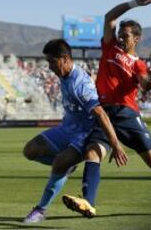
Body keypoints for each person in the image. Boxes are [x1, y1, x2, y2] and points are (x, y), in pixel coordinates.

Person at [62, 0, 151, 218]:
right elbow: (109, 17)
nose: (121, 38)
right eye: (120, 34)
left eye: (126, 35)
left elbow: (145, 86)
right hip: (103, 113)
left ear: (137, 39)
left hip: (126, 114)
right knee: (93, 152)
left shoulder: (138, 63)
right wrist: (134, 4)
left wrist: (150, 77)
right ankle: (88, 203)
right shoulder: (110, 47)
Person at [23, 39, 128, 223]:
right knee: (30, 150)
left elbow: (101, 114)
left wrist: (115, 144)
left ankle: (41, 209)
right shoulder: (64, 74)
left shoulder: (80, 84)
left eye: (52, 62)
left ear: (64, 59)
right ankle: (66, 167)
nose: (49, 67)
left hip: (84, 133)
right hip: (66, 128)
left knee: (59, 163)